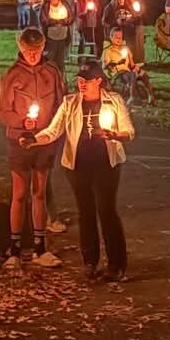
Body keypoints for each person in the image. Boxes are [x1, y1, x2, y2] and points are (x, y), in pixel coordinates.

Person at [46, 60, 134, 282]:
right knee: (85, 211)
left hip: (106, 163)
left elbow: (128, 131)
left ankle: (116, 264)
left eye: (87, 80)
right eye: (79, 80)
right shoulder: (70, 103)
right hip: (78, 165)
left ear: (98, 81)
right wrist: (32, 138)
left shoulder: (113, 101)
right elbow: (53, 131)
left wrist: (115, 135)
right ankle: (90, 261)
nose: (82, 84)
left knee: (106, 210)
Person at [0, 28, 68, 268]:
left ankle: (40, 247)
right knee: (19, 193)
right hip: (19, 141)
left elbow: (61, 104)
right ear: (20, 47)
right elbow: (2, 111)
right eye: (28, 50)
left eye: (37, 50)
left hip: (44, 141)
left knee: (39, 192)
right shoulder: (12, 75)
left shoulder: (52, 72)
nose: (33, 55)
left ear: (43, 46)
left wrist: (54, 131)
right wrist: (21, 121)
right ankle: (15, 248)